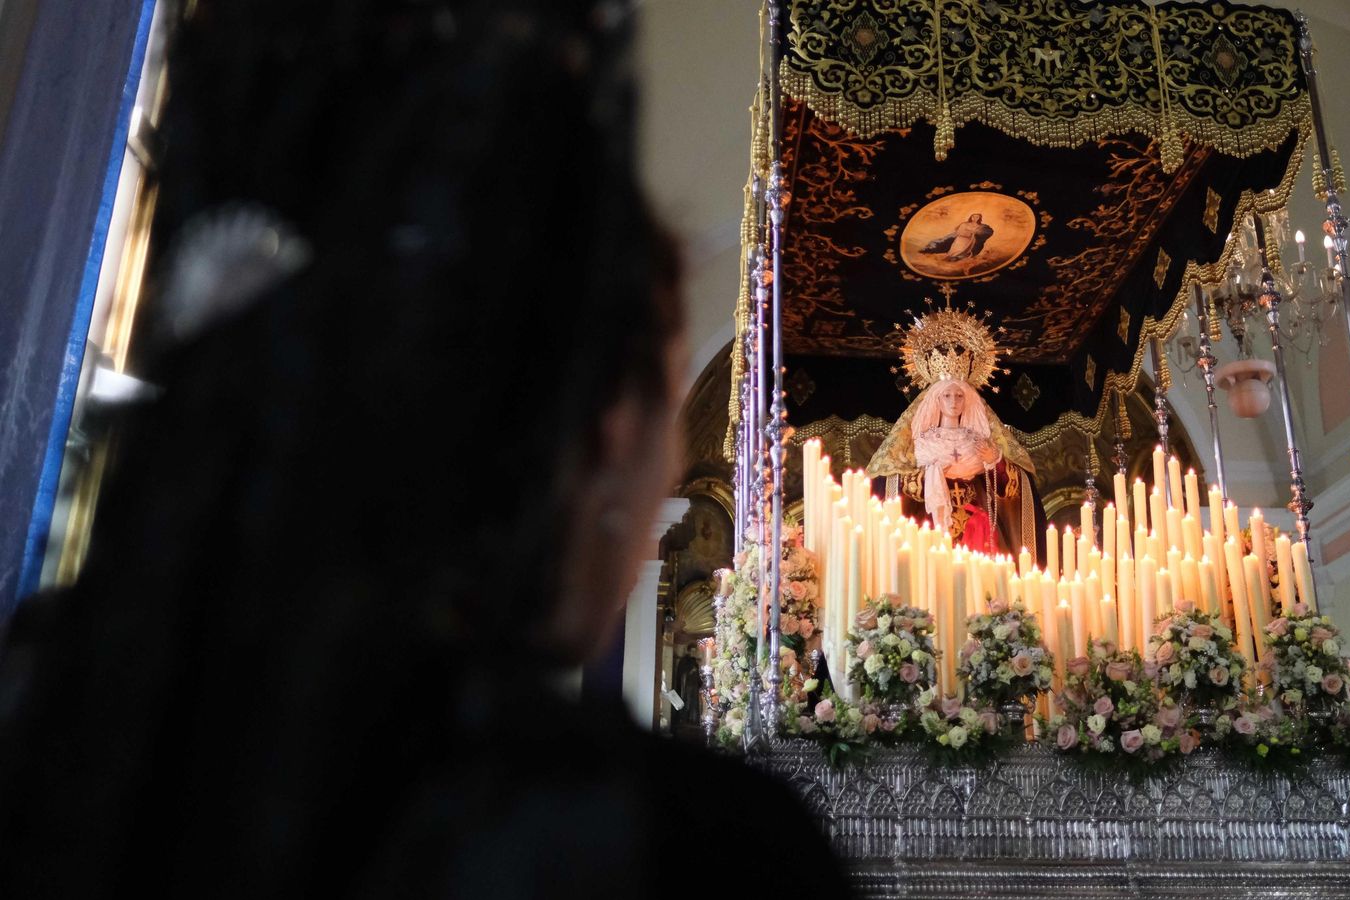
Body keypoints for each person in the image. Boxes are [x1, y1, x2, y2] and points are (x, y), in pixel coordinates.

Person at [0, 1, 849, 897]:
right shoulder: (690, 846)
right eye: (667, 409)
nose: (673, 471)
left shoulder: (50, 707)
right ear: (600, 432)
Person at [868, 377, 1044, 559]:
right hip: (931, 524)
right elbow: (896, 481)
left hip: (976, 527)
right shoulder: (922, 443)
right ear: (937, 399)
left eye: (959, 395)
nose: (954, 402)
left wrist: (995, 461)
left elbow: (1010, 488)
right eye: (947, 395)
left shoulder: (977, 442)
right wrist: (928, 477)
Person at [920, 212, 993, 261]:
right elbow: (959, 232)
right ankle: (950, 258)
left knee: (965, 252)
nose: (975, 218)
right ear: (971, 217)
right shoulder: (964, 224)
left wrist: (974, 234)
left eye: (977, 217)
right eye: (974, 216)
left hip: (970, 241)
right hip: (961, 239)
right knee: (956, 250)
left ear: (979, 218)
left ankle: (958, 259)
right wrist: (970, 233)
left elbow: (980, 233)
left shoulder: (980, 226)